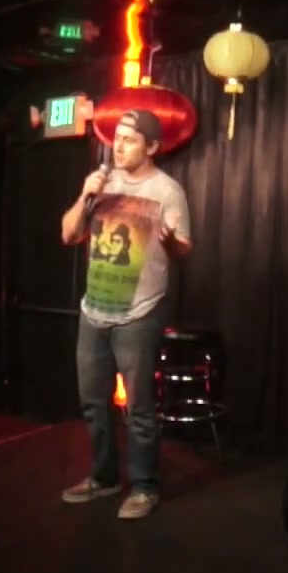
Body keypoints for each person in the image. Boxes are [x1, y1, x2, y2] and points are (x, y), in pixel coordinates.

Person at [58, 110, 192, 520]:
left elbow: (183, 248)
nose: (118, 146)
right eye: (116, 138)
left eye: (129, 139)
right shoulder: (102, 184)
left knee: (139, 408)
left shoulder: (167, 191)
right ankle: (104, 478)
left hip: (139, 313)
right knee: (93, 403)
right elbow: (68, 234)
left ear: (152, 147)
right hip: (94, 311)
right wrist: (85, 195)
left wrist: (170, 243)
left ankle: (145, 486)